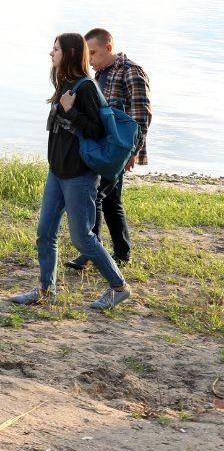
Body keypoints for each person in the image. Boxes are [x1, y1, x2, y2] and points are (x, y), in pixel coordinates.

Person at [10, 33, 131, 311]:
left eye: (55, 50)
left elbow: (98, 131)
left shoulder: (86, 87)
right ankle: (44, 289)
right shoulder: (63, 82)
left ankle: (119, 287)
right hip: (58, 172)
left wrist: (71, 111)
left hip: (79, 175)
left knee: (82, 238)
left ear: (71, 53)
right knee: (45, 233)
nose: (51, 54)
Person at [65, 28, 152, 270]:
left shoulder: (131, 71)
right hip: (101, 146)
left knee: (97, 196)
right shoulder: (98, 74)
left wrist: (133, 150)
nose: (89, 58)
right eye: (87, 53)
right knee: (110, 199)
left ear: (109, 48)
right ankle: (117, 253)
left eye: (92, 52)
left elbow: (141, 115)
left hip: (118, 148)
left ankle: (95, 251)